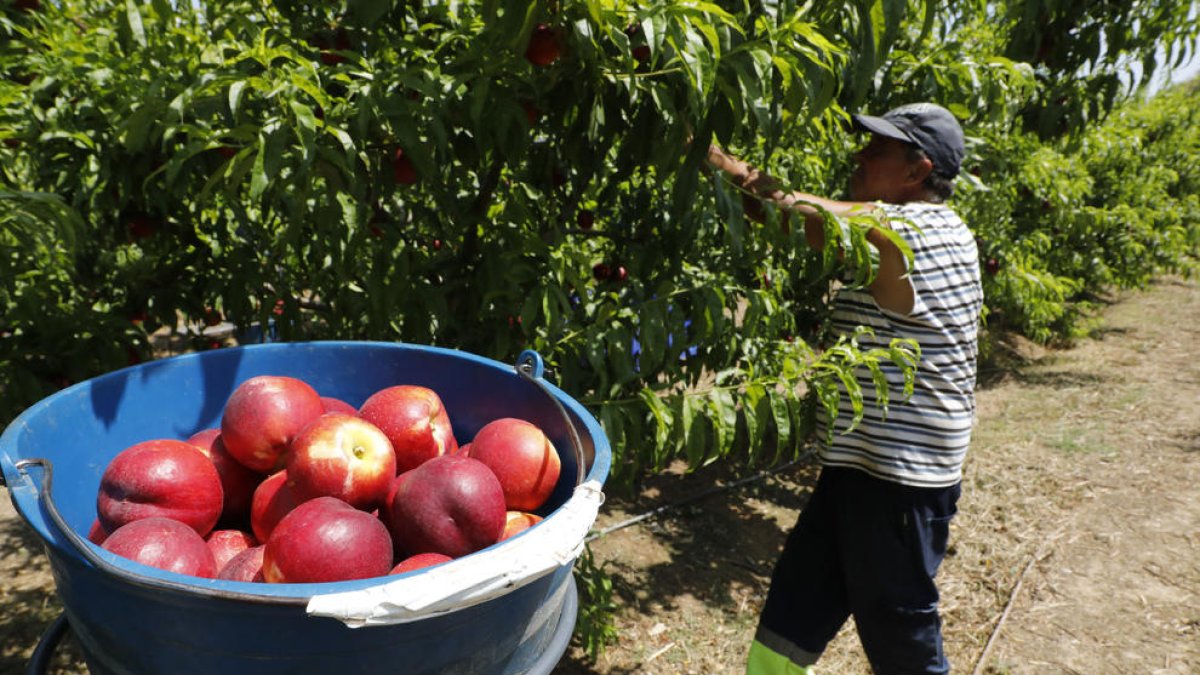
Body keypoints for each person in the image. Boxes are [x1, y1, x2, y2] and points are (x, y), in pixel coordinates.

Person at [706, 103, 983, 674]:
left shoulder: (921, 230)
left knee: (901, 639)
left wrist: (712, 156)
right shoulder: (894, 229)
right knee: (793, 613)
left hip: (900, 481)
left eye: (877, 148)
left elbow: (796, 213)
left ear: (918, 170)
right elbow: (794, 221)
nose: (859, 155)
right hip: (859, 466)